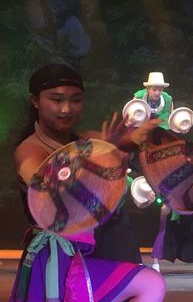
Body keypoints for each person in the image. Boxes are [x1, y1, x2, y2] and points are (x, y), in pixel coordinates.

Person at [10, 63, 165, 302]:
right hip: (57, 261)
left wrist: (125, 147)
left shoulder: (85, 141)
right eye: (56, 99)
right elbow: (52, 190)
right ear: (36, 101)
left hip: (92, 249)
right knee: (150, 283)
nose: (66, 108)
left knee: (148, 282)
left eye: (75, 100)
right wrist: (104, 153)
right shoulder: (29, 151)